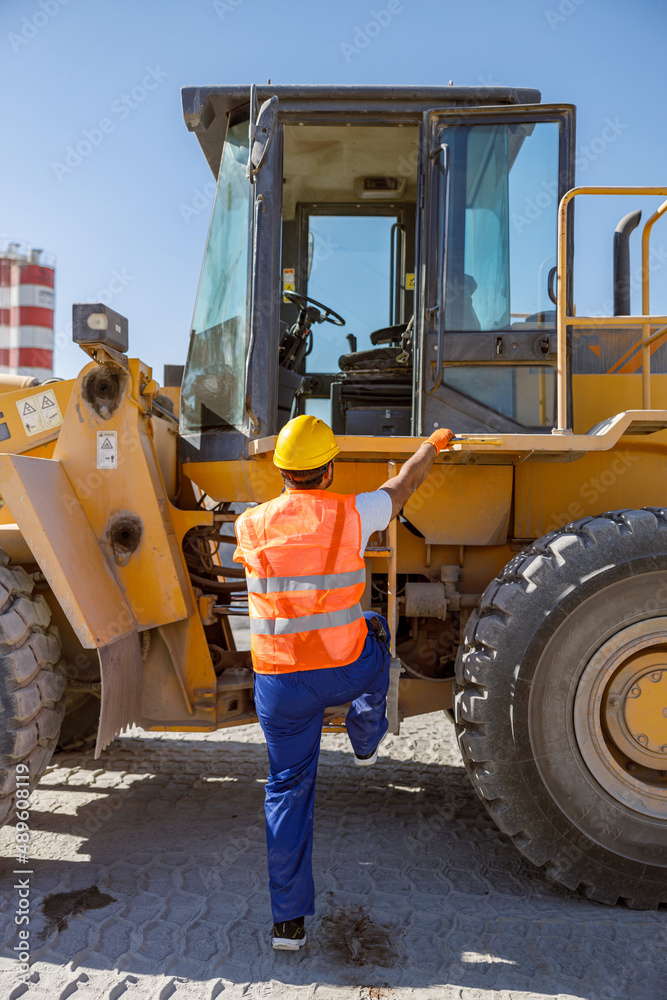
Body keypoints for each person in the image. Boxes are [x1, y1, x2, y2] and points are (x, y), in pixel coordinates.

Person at [233, 415, 454, 951]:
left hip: (280, 682)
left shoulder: (250, 524)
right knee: (377, 637)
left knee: (286, 789)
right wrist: (431, 445)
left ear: (281, 470)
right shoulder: (352, 512)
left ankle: (287, 925)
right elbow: (402, 487)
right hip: (342, 672)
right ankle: (364, 739)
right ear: (329, 470)